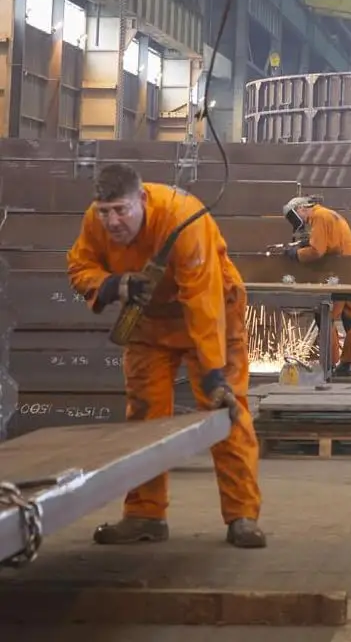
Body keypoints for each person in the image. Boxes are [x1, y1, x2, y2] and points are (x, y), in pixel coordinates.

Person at [67, 163, 265, 549]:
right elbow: (80, 265)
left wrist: (212, 371)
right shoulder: (95, 221)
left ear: (142, 199)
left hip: (212, 316)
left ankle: (242, 515)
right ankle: (145, 514)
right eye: (105, 212)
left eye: (121, 210)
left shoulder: (183, 218)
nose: (112, 222)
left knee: (225, 408)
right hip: (149, 322)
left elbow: (202, 300)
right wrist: (111, 285)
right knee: (144, 416)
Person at [283, 196, 351, 379]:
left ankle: (329, 366)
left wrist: (296, 253)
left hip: (338, 274)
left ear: (301, 209)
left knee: (326, 315)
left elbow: (317, 251)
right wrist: (304, 244)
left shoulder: (318, 217)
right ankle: (347, 363)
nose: (302, 223)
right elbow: (327, 243)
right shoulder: (328, 214)